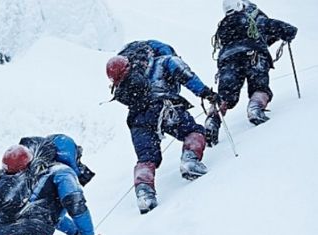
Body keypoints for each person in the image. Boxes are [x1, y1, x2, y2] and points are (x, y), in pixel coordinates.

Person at [106, 41, 219, 214]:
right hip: (164, 107)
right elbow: (187, 77)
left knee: (146, 157)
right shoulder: (165, 60)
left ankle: (144, 193)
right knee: (193, 132)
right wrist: (206, 93)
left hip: (137, 119)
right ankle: (190, 161)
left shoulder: (128, 75)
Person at [205, 0, 298, 143]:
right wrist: (289, 31)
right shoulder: (252, 18)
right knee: (259, 86)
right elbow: (273, 27)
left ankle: (212, 121)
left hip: (228, 61)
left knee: (226, 95)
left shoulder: (224, 25)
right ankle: (255, 109)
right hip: (254, 55)